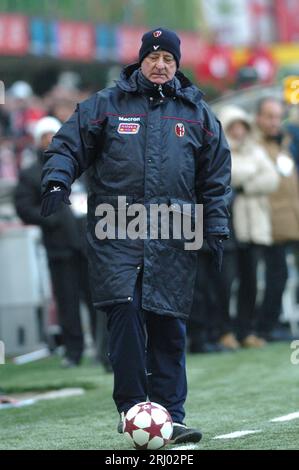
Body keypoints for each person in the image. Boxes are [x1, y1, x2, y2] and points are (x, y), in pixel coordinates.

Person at [40, 28, 231, 444]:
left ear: (177, 65)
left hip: (175, 234)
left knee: (168, 323)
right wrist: (57, 181)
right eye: (153, 57)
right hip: (116, 231)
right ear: (140, 61)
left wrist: (215, 226)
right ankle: (131, 408)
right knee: (124, 312)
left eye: (168, 58)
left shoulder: (197, 113)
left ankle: (169, 415)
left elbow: (216, 177)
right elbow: (67, 146)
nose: (160, 65)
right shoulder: (105, 106)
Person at [14, 116, 97, 368]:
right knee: (67, 302)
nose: (50, 141)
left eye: (53, 135)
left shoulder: (80, 164)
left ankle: (104, 350)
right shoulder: (31, 174)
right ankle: (73, 352)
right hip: (59, 248)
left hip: (89, 244)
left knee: (97, 300)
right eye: (44, 137)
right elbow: (24, 207)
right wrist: (52, 220)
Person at [219, 105, 280, 347]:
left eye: (241, 126)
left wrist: (245, 185)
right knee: (226, 282)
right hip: (230, 228)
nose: (238, 131)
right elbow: (228, 173)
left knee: (251, 282)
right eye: (233, 126)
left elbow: (273, 178)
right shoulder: (219, 150)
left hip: (254, 227)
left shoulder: (254, 149)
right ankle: (225, 331)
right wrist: (253, 174)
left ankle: (246, 331)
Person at [255, 98, 299, 340]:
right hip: (267, 222)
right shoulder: (254, 145)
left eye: (277, 117)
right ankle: (264, 327)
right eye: (269, 116)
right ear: (258, 118)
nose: (274, 122)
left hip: (290, 219)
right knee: (274, 276)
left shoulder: (284, 143)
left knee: (279, 275)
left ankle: (269, 325)